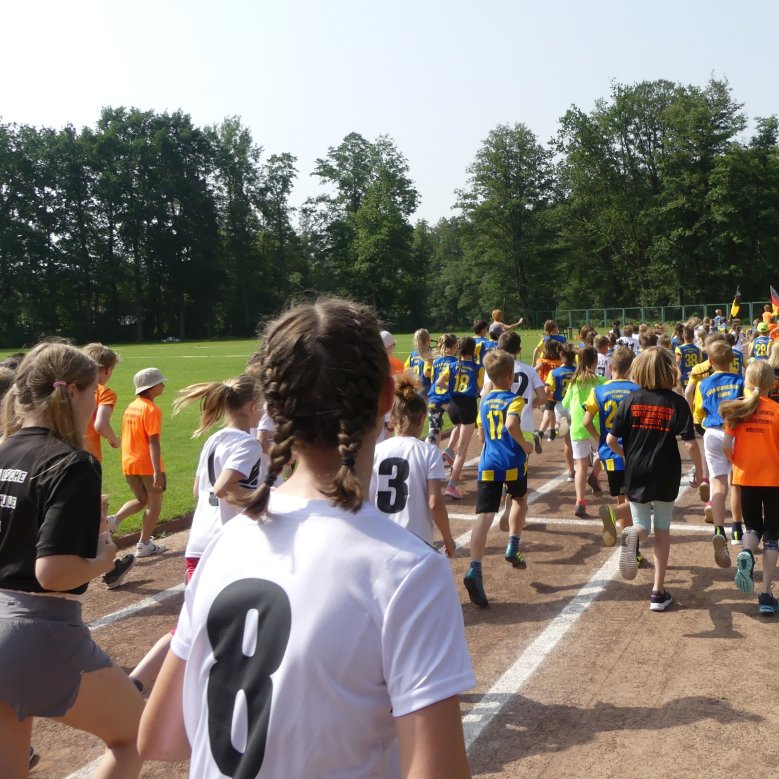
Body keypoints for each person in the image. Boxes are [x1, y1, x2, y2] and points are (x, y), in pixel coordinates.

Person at [138, 298, 474, 778]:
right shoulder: (408, 569)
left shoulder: (227, 544)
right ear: (386, 398)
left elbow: (161, 737)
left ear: (274, 407)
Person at [0, 341, 143, 778]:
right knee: (137, 735)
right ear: (76, 392)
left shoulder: (4, 450)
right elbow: (54, 573)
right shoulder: (71, 462)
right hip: (35, 629)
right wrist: (103, 559)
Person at [129, 375, 263, 694]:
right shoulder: (248, 444)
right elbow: (223, 488)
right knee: (239, 623)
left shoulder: (214, 441)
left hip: (199, 544)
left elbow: (198, 489)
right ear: (253, 407)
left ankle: (137, 681)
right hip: (227, 549)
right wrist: (266, 500)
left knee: (194, 625)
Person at [607, 347, 703, 611]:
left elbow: (610, 440)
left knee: (641, 525)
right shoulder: (676, 402)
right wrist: (700, 471)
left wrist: (628, 455)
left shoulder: (631, 399)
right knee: (662, 530)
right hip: (666, 470)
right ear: (669, 371)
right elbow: (691, 445)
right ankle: (657, 593)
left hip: (636, 469)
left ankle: (634, 536)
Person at [464, 349, 534, 608]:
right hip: (513, 462)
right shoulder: (514, 400)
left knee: (484, 517)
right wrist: (526, 446)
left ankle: (475, 568)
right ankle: (513, 545)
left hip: (488, 462)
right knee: (519, 498)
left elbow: (482, 436)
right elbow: (511, 425)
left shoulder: (485, 401)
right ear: (510, 376)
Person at [371, 373, 455, 556]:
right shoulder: (429, 452)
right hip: (416, 544)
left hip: (382, 541)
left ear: (392, 420)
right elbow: (434, 503)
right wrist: (448, 538)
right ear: (421, 419)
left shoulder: (375, 452)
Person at [723, 362, 779, 614]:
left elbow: (726, 445)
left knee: (753, 527)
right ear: (772, 384)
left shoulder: (737, 410)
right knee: (773, 537)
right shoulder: (777, 410)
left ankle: (746, 550)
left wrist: (737, 461)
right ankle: (766, 594)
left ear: (747, 382)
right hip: (774, 479)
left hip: (746, 478)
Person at [81, 344, 135, 590]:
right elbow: (101, 424)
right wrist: (114, 440)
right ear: (106, 370)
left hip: (57, 455)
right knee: (94, 513)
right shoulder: (103, 392)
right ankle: (110, 570)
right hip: (86, 460)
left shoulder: (66, 386)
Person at [582, 347, 640, 552]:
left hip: (610, 453)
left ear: (610, 366)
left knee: (623, 498)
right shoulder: (637, 389)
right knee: (641, 504)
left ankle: (629, 548)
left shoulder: (598, 391)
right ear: (632, 368)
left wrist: (600, 441)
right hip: (633, 453)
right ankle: (617, 519)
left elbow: (586, 421)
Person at [107, 368, 168, 557]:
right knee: (154, 502)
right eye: (160, 383)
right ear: (151, 387)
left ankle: (114, 520)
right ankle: (143, 544)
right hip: (147, 464)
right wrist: (157, 471)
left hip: (129, 462)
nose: (163, 385)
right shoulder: (151, 409)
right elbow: (153, 441)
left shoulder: (132, 406)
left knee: (142, 500)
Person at [694, 340, 744, 564]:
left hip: (712, 433)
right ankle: (736, 529)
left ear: (711, 362)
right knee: (736, 482)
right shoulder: (740, 380)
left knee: (717, 482)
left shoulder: (703, 384)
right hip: (734, 433)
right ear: (732, 359)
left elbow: (699, 410)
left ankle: (718, 530)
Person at [437, 337, 483, 499]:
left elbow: (438, 383)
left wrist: (450, 390)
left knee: (458, 429)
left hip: (453, 406)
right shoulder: (477, 368)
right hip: (468, 406)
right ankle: (452, 485)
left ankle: (449, 450)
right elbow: (482, 390)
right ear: (473, 350)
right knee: (463, 451)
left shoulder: (452, 365)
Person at [563, 346, 605, 517]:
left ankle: (580, 500)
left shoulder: (574, 383)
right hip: (595, 425)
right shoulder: (601, 381)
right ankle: (595, 473)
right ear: (595, 361)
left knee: (580, 466)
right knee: (604, 455)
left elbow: (565, 404)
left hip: (578, 427)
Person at [546, 344, 577, 478]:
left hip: (560, 404)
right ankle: (583, 462)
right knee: (579, 437)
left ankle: (570, 472)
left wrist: (549, 396)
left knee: (567, 441)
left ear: (561, 355)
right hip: (574, 404)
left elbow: (547, 390)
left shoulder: (554, 372)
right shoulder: (578, 371)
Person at [426, 334, 458, 448]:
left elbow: (432, 380)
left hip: (433, 398)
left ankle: (430, 453)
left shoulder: (435, 362)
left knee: (434, 430)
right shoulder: (455, 362)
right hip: (447, 399)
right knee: (460, 425)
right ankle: (449, 450)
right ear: (454, 346)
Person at [405, 328, 433, 394]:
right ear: (427, 340)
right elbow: (427, 373)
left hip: (414, 386)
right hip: (426, 387)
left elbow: (406, 370)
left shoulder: (412, 355)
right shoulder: (429, 354)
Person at [675, 326, 701, 390]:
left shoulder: (679, 348)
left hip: (684, 375)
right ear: (693, 337)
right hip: (695, 375)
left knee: (685, 394)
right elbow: (700, 362)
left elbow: (677, 362)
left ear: (683, 336)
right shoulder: (698, 349)